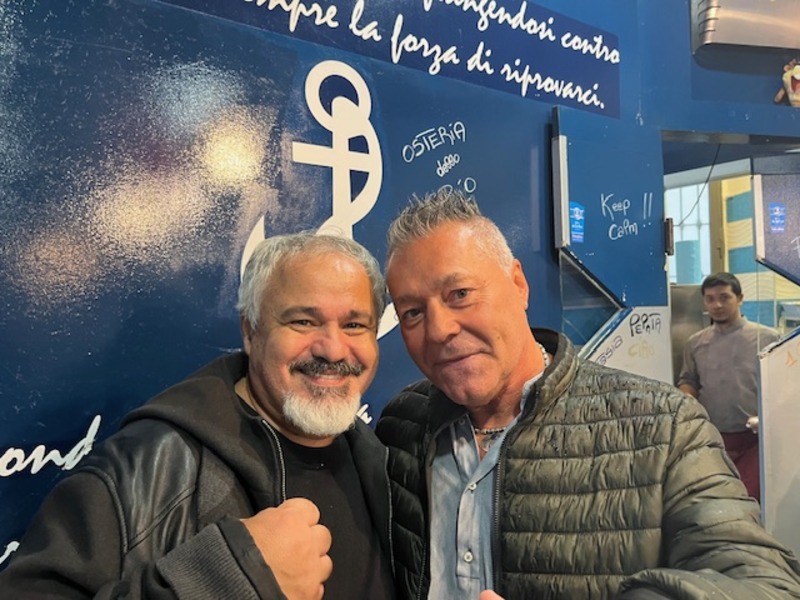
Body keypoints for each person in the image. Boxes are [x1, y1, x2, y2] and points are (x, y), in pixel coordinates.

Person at [375, 190, 800, 600]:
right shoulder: (402, 427)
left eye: (460, 295)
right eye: (412, 312)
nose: (439, 330)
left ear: (518, 284)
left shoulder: (663, 427)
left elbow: (764, 582)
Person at [0, 233, 395, 600]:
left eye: (354, 325)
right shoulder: (146, 467)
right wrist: (227, 581)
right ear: (250, 332)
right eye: (303, 322)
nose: (332, 349)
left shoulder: (385, 463)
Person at [677, 272, 780, 503]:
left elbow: (782, 385)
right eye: (710, 299)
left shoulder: (767, 338)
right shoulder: (695, 343)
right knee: (718, 501)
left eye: (724, 297)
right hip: (711, 438)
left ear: (740, 298)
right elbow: (688, 380)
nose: (717, 305)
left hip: (756, 439)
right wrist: (688, 400)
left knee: (750, 500)